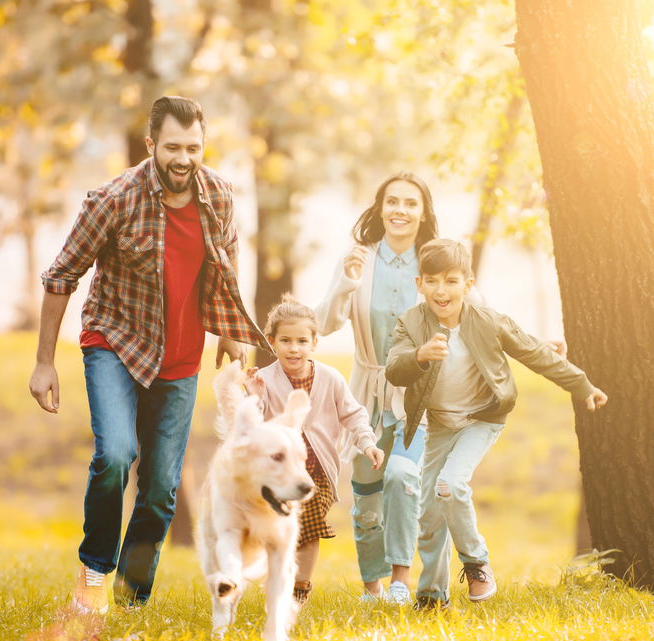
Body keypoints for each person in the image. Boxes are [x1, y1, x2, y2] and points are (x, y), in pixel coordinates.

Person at [29, 96, 267, 614]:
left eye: (194, 148)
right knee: (114, 456)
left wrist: (229, 327)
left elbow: (227, 260)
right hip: (116, 343)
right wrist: (45, 362)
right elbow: (60, 277)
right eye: (173, 147)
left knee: (160, 489)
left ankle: (132, 597)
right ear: (151, 145)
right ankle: (94, 573)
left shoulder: (220, 196)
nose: (183, 159)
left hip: (180, 359)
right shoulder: (113, 200)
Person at [386, 238, 608, 604]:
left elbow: (533, 352)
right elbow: (395, 368)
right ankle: (430, 595)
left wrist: (581, 384)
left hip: (482, 418)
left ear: (467, 285)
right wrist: (420, 355)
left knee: (450, 485)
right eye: (432, 281)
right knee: (428, 515)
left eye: (451, 280)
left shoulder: (486, 320)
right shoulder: (410, 324)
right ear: (419, 284)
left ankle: (477, 563)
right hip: (440, 424)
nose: (442, 291)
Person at [315, 172, 445, 606]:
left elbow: (475, 313)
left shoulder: (433, 263)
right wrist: (347, 282)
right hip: (365, 392)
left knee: (404, 476)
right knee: (366, 499)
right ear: (380, 206)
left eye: (411, 203)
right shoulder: (359, 258)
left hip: (417, 395)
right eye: (393, 201)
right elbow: (324, 323)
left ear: (423, 212)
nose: (400, 210)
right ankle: (372, 587)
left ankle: (401, 583)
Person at [247, 296, 386, 605]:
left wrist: (368, 443)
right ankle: (279, 577)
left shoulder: (330, 378)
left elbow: (353, 414)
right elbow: (254, 426)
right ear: (272, 342)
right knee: (279, 528)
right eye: (285, 340)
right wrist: (254, 396)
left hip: (318, 471)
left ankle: (300, 587)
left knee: (308, 527)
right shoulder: (266, 380)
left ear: (313, 343)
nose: (293, 348)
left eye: (301, 341)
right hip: (280, 473)